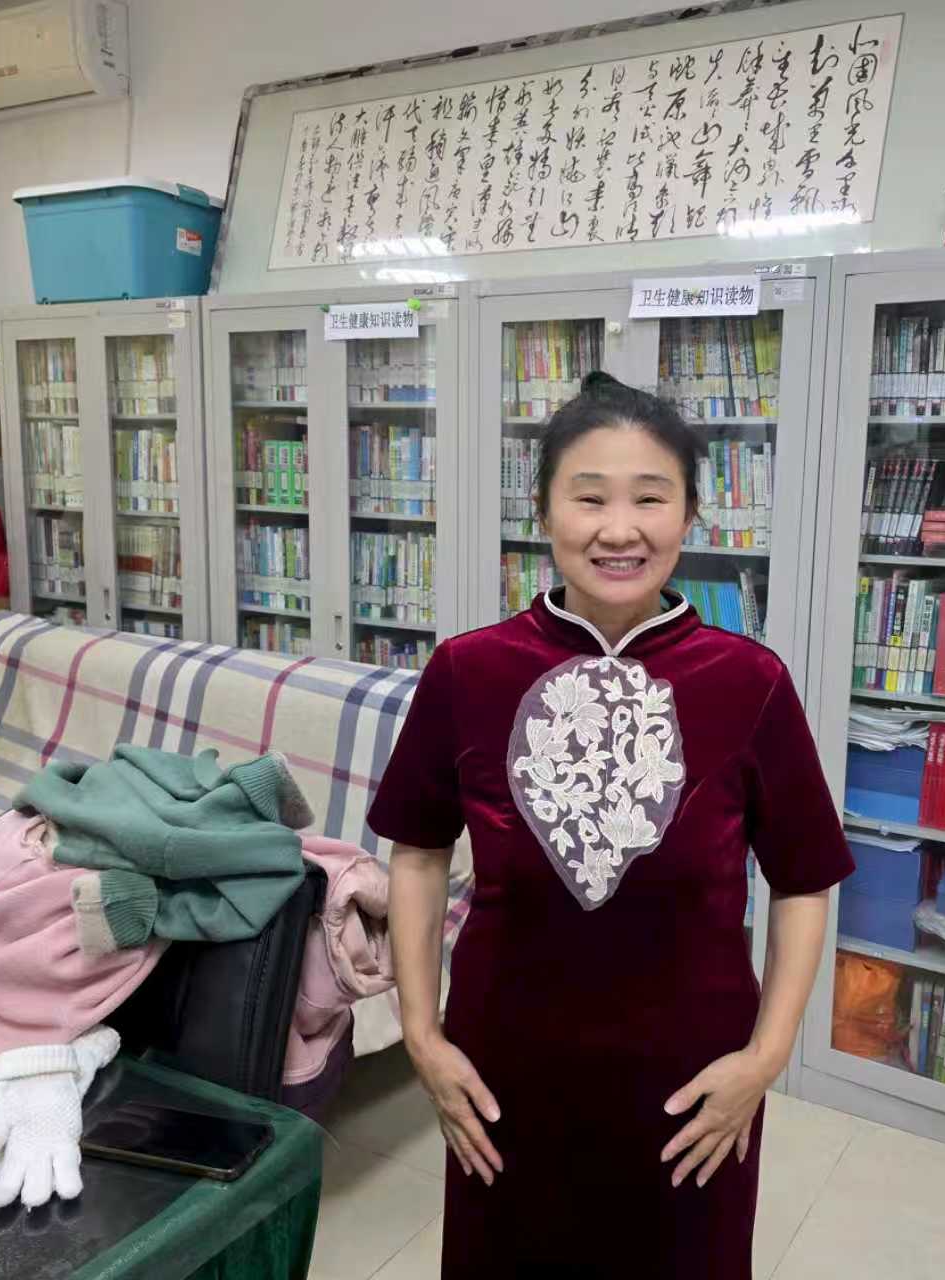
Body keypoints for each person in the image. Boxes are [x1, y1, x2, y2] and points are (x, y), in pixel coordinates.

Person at [367, 371, 853, 1278]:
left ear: (690, 515)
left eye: (649, 498)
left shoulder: (749, 681)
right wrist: (423, 1038)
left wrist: (764, 1059)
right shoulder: (468, 671)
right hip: (503, 1069)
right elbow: (419, 853)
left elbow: (803, 881)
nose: (618, 529)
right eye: (589, 498)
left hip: (693, 1083)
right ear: (544, 512)